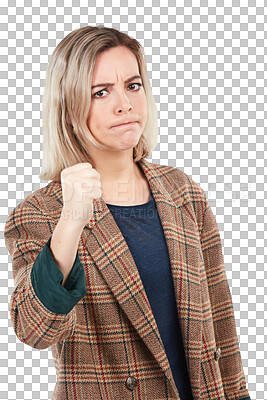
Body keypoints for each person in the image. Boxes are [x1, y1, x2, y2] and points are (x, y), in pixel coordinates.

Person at [4, 25, 251, 400]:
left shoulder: (182, 192)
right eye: (100, 92)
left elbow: (220, 322)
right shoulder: (39, 213)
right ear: (69, 111)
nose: (125, 104)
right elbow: (34, 330)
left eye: (132, 86)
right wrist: (71, 218)